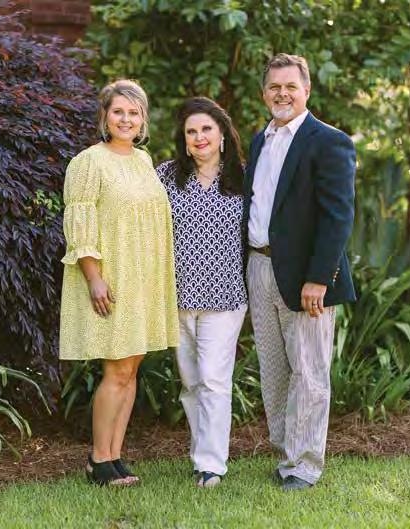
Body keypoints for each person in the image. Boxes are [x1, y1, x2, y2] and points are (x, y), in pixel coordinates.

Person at [243, 54, 356, 491]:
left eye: (291, 86)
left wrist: (319, 278)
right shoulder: (261, 140)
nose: (282, 94)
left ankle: (303, 465)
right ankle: (286, 452)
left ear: (306, 90)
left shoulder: (328, 142)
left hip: (307, 276)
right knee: (273, 369)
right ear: (263, 93)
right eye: (275, 87)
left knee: (308, 371)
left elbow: (338, 217)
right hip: (259, 266)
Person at [59, 79, 179, 486]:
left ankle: (114, 454)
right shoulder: (88, 162)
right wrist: (93, 277)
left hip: (143, 279)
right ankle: (98, 459)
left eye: (133, 113)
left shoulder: (144, 161)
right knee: (116, 370)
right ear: (105, 116)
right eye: (118, 112)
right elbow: (80, 226)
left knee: (131, 369)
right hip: (111, 278)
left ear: (143, 119)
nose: (126, 119)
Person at [155, 97, 247, 488]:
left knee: (213, 379)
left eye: (206, 129)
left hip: (225, 297)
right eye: (191, 131)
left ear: (222, 133)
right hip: (177, 298)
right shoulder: (165, 176)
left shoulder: (243, 178)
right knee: (191, 382)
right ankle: (200, 454)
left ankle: (212, 464)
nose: (199, 137)